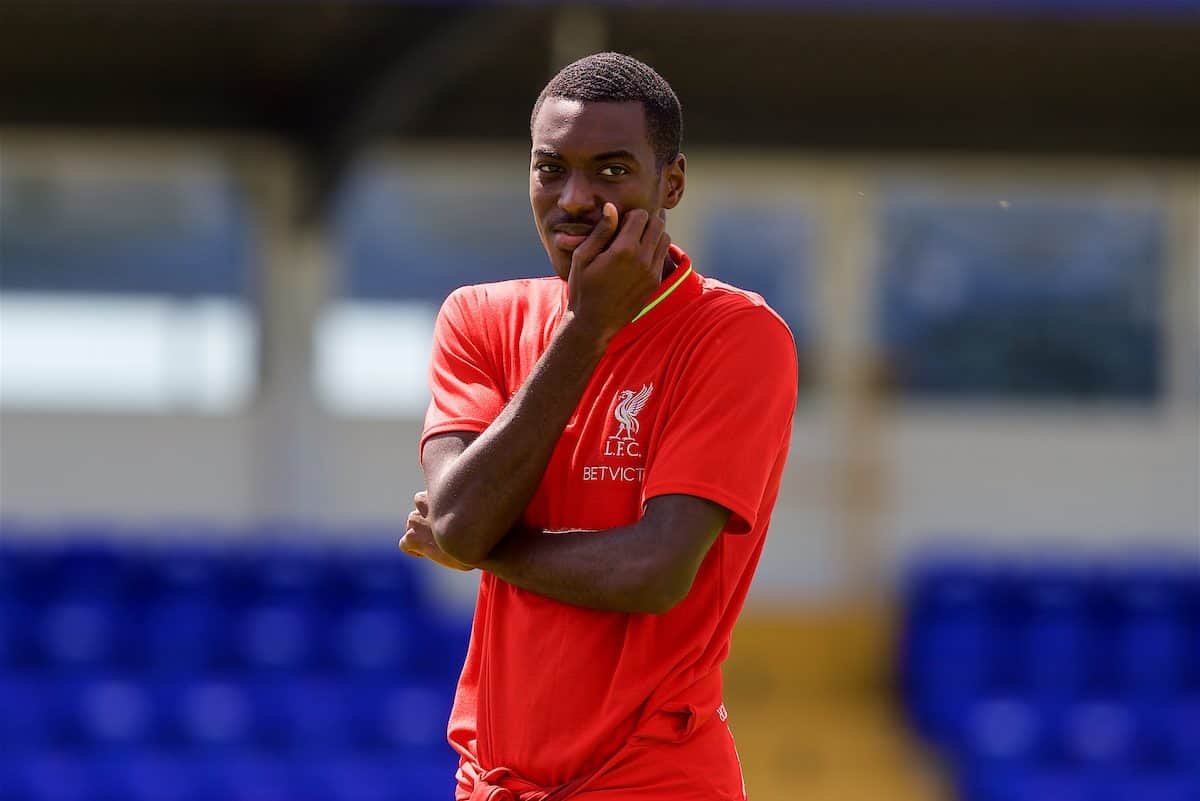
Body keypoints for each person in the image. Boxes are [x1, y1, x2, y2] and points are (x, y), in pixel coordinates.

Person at [399, 52, 798, 801]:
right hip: (492, 781)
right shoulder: (478, 319)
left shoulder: (739, 336)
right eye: (551, 169)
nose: (574, 198)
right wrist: (583, 333)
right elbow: (457, 522)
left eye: (611, 170)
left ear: (670, 182)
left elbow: (652, 572)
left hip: (654, 781)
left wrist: (479, 546)